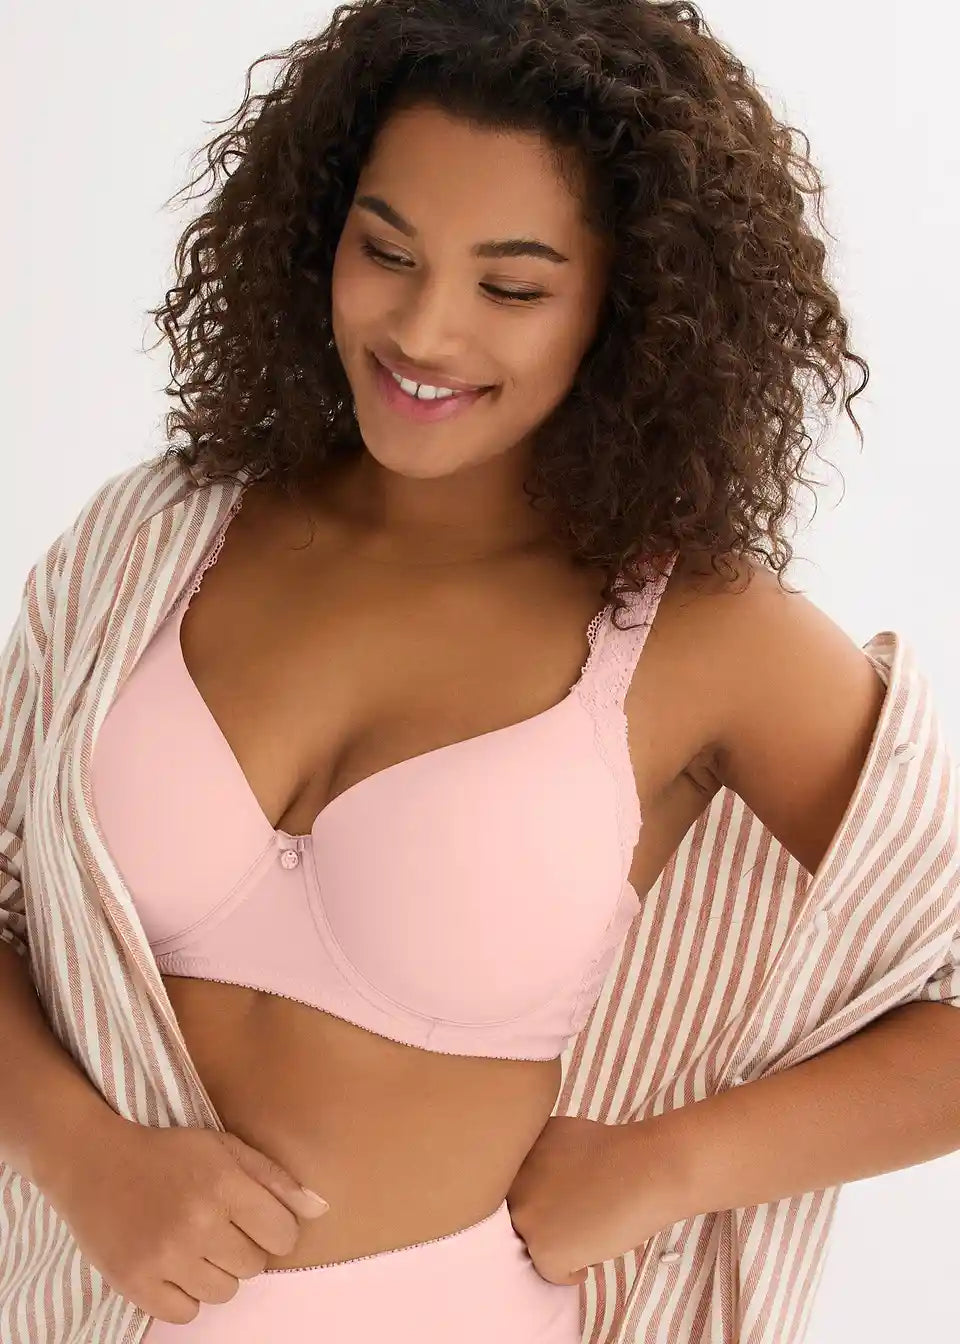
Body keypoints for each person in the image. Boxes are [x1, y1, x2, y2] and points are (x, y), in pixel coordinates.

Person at [3, 3, 960, 1343]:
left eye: (511, 288)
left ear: (630, 307)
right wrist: (78, 1155)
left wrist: (669, 1167)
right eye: (386, 251)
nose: (425, 330)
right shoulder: (154, 540)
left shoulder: (704, 636)